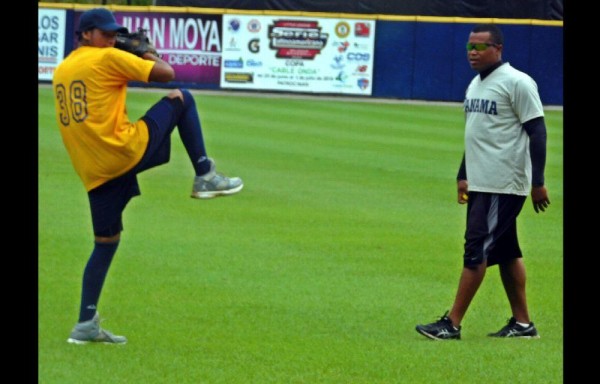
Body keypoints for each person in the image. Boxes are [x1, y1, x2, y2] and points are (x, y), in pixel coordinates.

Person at [52, 8, 243, 344]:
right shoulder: (106, 58)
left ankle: (85, 324)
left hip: (95, 170)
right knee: (182, 98)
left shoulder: (63, 68)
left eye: (113, 33)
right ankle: (205, 174)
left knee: (105, 243)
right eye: (104, 32)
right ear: (84, 34)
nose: (111, 38)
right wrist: (144, 52)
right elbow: (166, 72)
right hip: (124, 151)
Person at [415, 23, 550, 340]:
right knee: (506, 252)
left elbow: (538, 132)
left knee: (476, 250)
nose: (472, 53)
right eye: (469, 47)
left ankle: (452, 323)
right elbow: (476, 134)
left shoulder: (517, 82)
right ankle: (523, 323)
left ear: (498, 48)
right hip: (482, 182)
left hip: (501, 185)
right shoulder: (475, 84)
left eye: (479, 47)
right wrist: (464, 174)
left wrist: (538, 182)